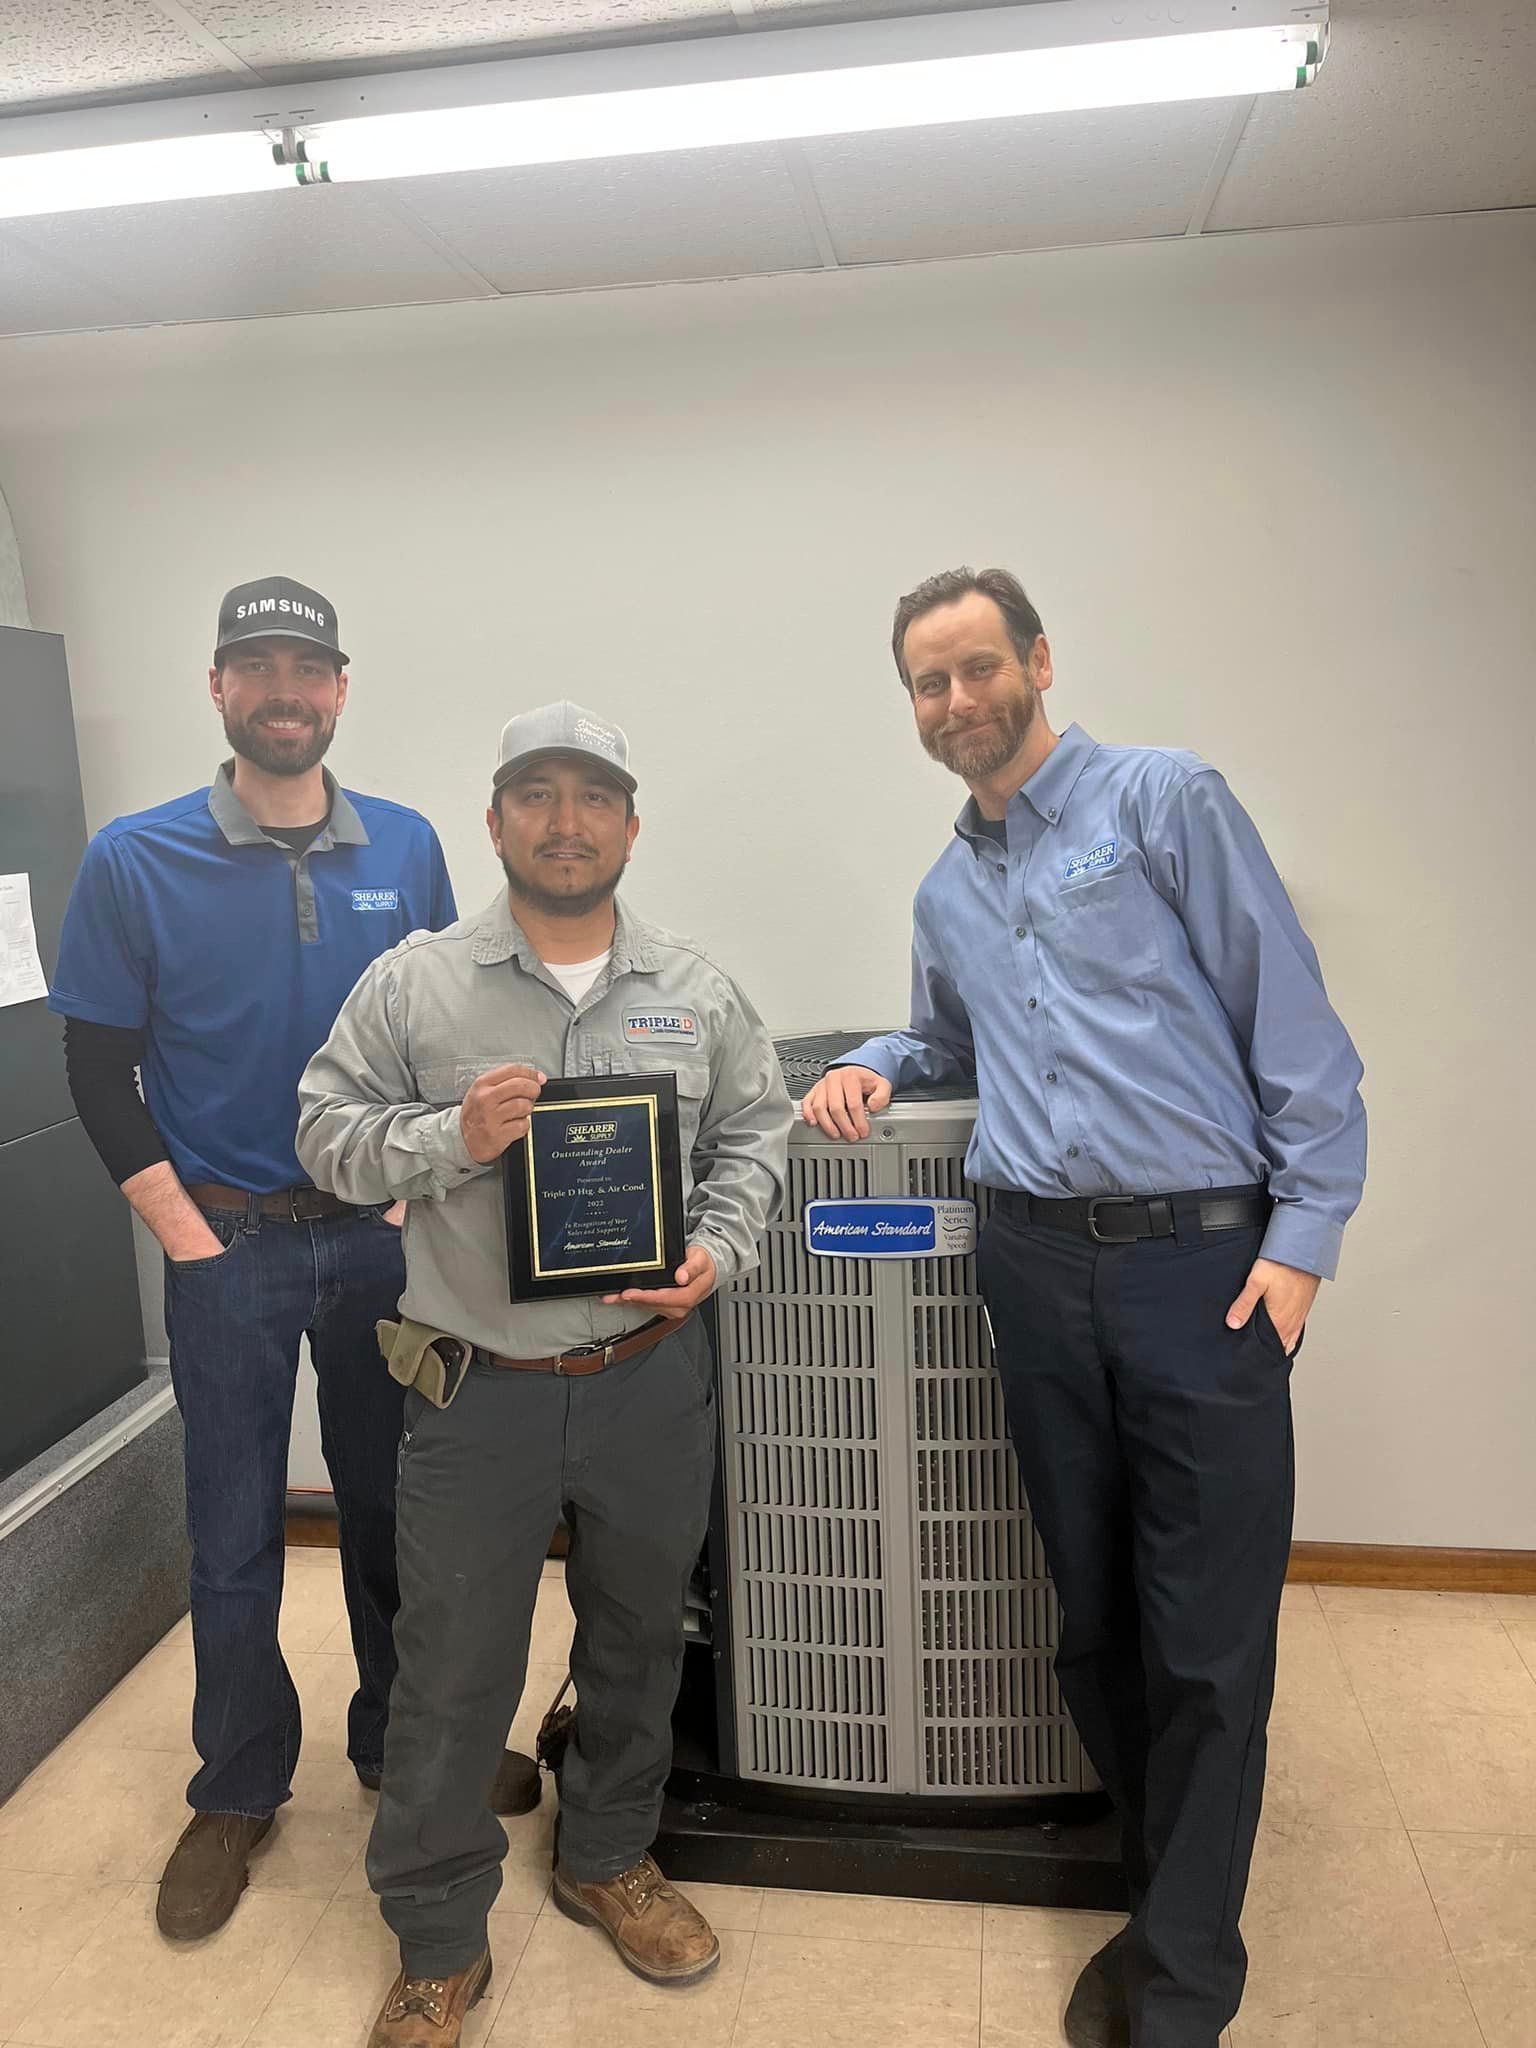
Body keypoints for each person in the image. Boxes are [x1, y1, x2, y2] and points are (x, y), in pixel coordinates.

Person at [803, 568, 1366, 2048]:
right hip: (1033, 1268)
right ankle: (1163, 1874)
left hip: (1201, 1265)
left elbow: (1295, 1029)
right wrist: (877, 1057)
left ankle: (1181, 1983)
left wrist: (1301, 1241)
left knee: (1206, 1635)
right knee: (1093, 1616)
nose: (958, 703)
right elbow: (945, 1035)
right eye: (928, 684)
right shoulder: (946, 888)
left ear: (1038, 662)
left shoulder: (1165, 806)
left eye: (979, 668)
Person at [47, 575, 537, 1944]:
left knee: (401, 1518)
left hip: (386, 1250)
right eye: (255, 666)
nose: (283, 690)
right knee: (232, 1536)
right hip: (230, 1249)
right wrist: (185, 1235)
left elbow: (444, 1035)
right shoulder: (136, 861)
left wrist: (418, 1191)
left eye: (306, 668)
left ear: (339, 688)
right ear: (217, 689)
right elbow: (93, 1062)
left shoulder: (410, 846)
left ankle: (400, 1751)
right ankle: (239, 1785)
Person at [296, 699, 792, 2048]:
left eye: (592, 797)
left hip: (649, 1378)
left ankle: (605, 1856)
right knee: (454, 1668)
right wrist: (448, 1132)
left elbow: (756, 1132)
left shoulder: (695, 992)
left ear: (631, 823)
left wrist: (720, 1250)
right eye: (535, 794)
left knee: (640, 1633)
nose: (564, 822)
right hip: (480, 1389)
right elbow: (326, 1138)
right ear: (496, 817)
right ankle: (440, 1932)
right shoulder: (414, 985)